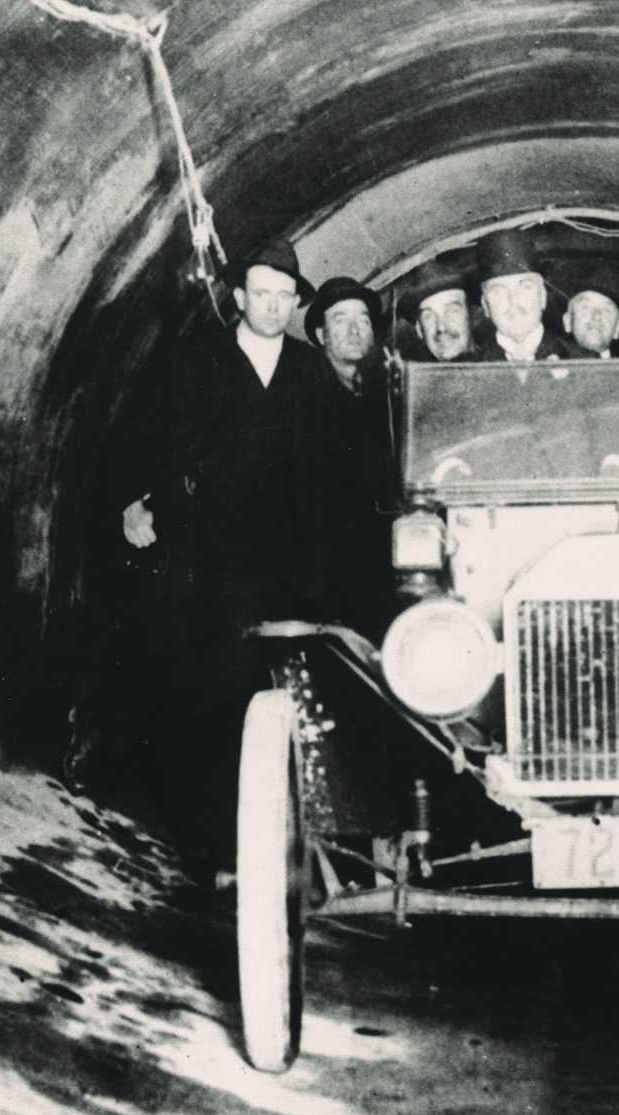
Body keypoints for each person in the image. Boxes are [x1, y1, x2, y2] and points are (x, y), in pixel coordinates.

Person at [105, 238, 318, 873]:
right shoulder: (196, 358)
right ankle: (200, 836)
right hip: (197, 552)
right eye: (263, 295)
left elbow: (329, 472)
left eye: (285, 297)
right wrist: (132, 502)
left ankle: (245, 839)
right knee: (190, 688)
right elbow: (142, 433)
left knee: (254, 689)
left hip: (274, 561)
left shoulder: (307, 372)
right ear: (239, 297)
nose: (274, 307)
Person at [299, 276, 397, 638]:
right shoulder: (305, 399)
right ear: (322, 336)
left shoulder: (379, 393)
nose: (355, 329)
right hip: (332, 584)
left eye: (364, 320)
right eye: (340, 319)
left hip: (380, 573)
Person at [474, 229, 578, 362]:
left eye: (525, 287)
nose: (513, 301)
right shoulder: (465, 371)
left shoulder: (586, 362)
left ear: (542, 296)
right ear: (485, 305)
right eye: (499, 291)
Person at [399, 258, 476, 363]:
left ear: (471, 315)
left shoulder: (503, 365)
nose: (441, 327)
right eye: (429, 317)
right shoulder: (414, 378)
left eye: (452, 311)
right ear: (419, 330)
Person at [562, 270, 619, 357]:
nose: (597, 316)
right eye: (586, 307)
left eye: (607, 311)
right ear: (567, 321)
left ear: (617, 329)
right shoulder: (546, 364)